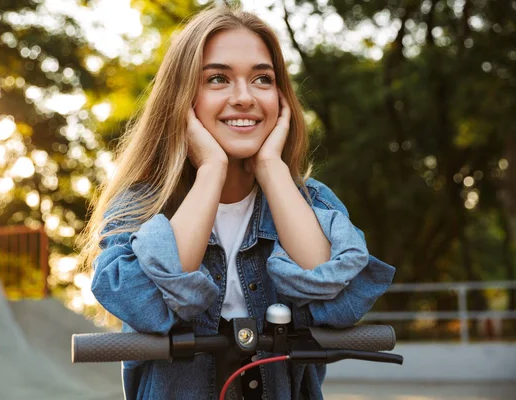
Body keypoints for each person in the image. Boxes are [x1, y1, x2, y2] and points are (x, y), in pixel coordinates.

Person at [79, 5, 395, 400]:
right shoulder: (139, 206)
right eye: (218, 78)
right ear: (182, 98)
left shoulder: (313, 203)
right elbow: (140, 304)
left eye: (262, 79)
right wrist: (211, 169)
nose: (244, 97)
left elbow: (336, 299)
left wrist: (272, 169)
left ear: (280, 97)